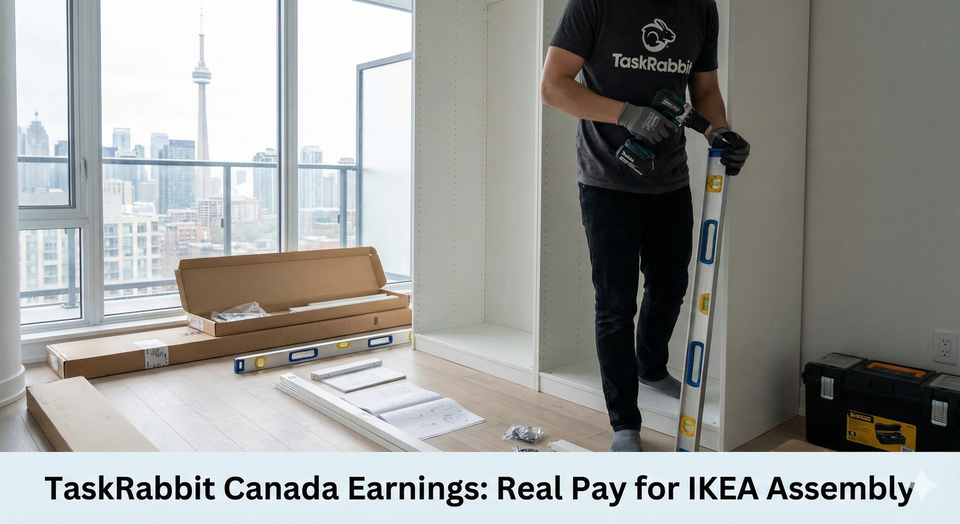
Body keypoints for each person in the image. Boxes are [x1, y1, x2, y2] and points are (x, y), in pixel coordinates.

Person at [539, 0, 750, 452]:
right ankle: (624, 423)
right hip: (606, 178)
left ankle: (650, 367)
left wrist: (721, 133)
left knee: (671, 283)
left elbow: (705, 91)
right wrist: (624, 114)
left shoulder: (700, 9)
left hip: (670, 177)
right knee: (616, 303)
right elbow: (553, 86)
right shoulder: (594, 4)